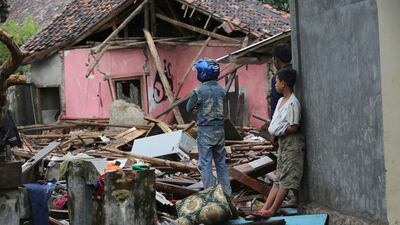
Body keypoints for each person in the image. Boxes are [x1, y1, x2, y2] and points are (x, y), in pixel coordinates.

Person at [247, 68, 304, 220]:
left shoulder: (293, 103)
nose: (275, 85)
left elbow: (294, 126)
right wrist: (276, 135)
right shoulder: (280, 101)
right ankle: (265, 209)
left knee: (286, 179)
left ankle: (272, 210)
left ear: (283, 84)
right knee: (279, 178)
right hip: (283, 143)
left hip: (292, 144)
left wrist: (278, 131)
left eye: (277, 81)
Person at [186, 58, 232, 196]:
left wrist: (198, 106)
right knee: (221, 163)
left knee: (205, 163)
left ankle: (211, 195)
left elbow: (189, 107)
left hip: (205, 130)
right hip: (219, 130)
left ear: (202, 73)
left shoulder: (199, 91)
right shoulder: (221, 90)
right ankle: (227, 194)